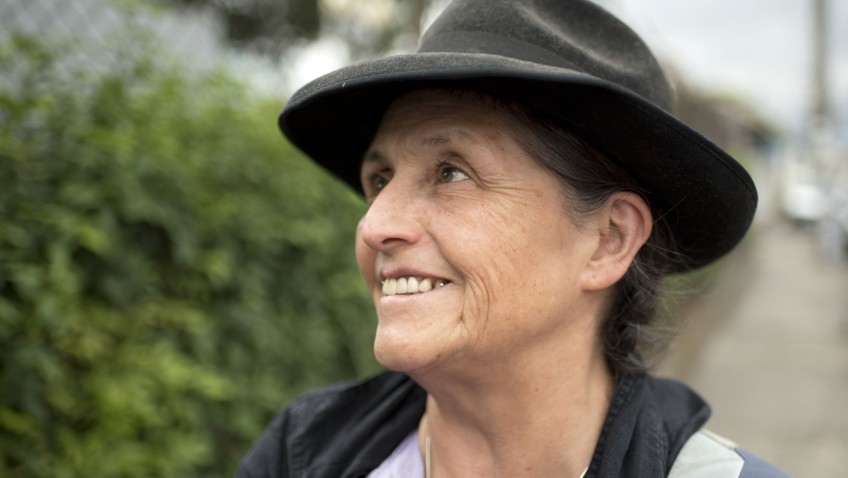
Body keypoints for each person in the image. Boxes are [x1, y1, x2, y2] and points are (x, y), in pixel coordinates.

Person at [237, 0, 790, 476]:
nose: (375, 225)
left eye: (451, 172)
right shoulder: (300, 453)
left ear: (609, 240)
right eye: (379, 180)